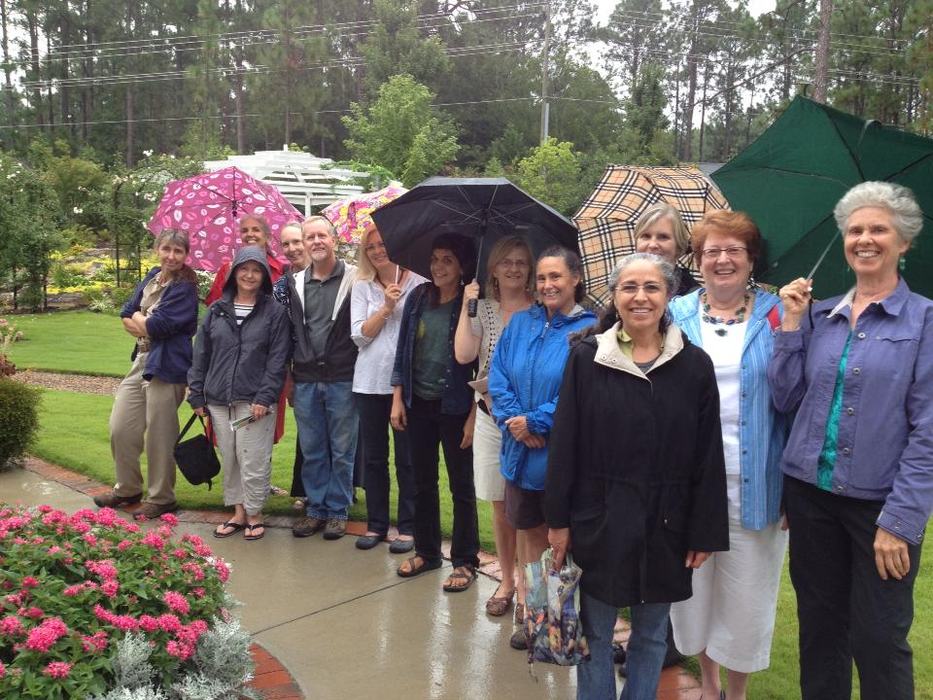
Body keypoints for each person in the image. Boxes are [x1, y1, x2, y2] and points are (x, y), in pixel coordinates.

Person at [768, 182, 932, 700]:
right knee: (820, 633)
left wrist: (900, 522)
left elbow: (929, 430)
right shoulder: (822, 314)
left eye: (878, 229)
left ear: (904, 242)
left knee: (879, 639)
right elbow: (785, 397)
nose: (865, 238)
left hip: (879, 510)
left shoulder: (925, 321)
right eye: (855, 229)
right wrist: (792, 324)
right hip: (810, 500)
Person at [546, 253, 728, 700]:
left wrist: (703, 530)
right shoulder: (588, 358)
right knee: (597, 635)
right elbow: (565, 443)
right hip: (601, 518)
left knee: (650, 637)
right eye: (629, 287)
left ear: (668, 296)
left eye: (651, 288)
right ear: (615, 295)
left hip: (666, 523)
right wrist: (558, 522)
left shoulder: (694, 365)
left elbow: (708, 454)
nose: (640, 297)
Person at [668, 210, 788, 700]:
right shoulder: (672, 313)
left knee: (747, 600)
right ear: (697, 261)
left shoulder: (779, 313)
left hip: (755, 481)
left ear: (751, 258)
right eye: (711, 251)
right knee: (694, 598)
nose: (722, 260)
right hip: (687, 486)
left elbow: (800, 394)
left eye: (733, 250)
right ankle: (709, 684)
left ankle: (735, 694)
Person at [488, 246, 596, 649]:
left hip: (560, 460)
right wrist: (516, 422)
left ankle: (562, 625)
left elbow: (580, 390)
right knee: (530, 541)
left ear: (575, 279)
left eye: (557, 277)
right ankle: (537, 622)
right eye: (543, 278)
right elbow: (498, 376)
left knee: (561, 543)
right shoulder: (521, 323)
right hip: (520, 457)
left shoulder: (589, 329)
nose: (548, 285)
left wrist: (536, 422)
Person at [390, 233, 480, 593]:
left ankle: (465, 560)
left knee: (462, 487)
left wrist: (475, 415)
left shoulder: (472, 301)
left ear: (461, 266)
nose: (438, 266)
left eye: (447, 260)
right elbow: (403, 350)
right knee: (421, 481)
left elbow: (481, 364)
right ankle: (427, 552)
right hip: (418, 402)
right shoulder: (418, 297)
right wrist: (397, 397)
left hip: (456, 405)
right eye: (435, 259)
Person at [453, 235, 535, 618]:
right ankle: (507, 578)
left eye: (521, 262)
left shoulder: (539, 311)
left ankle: (528, 586)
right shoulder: (481, 308)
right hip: (488, 417)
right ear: (494, 269)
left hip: (525, 422)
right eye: (507, 262)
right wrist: (466, 307)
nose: (514, 268)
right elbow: (465, 355)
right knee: (500, 505)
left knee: (526, 507)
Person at [187, 247, 291, 541]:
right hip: (219, 400)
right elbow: (201, 355)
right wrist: (196, 395)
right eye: (243, 269)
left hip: (253, 403)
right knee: (230, 456)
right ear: (233, 273)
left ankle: (255, 513)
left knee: (253, 457)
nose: (249, 275)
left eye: (256, 269)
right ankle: (238, 512)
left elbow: (277, 359)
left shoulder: (274, 313)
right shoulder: (217, 310)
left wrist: (265, 397)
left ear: (264, 275)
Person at [95, 229, 199, 520]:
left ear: (185, 255)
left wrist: (140, 320)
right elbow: (125, 312)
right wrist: (142, 320)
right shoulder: (153, 276)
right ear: (157, 248)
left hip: (168, 365)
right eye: (167, 249)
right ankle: (127, 489)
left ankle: (162, 497)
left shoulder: (185, 287)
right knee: (121, 427)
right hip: (141, 359)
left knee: (159, 434)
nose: (172, 256)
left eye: (178, 251)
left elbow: (159, 326)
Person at [351, 224, 427, 553]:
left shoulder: (420, 283)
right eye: (371, 248)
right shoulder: (362, 286)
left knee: (407, 458)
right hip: (368, 382)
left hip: (407, 384)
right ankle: (377, 524)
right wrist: (385, 307)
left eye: (383, 244)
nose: (378, 251)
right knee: (374, 459)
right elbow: (360, 335)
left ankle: (408, 527)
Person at [287, 216, 359, 540]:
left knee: (342, 449)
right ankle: (315, 508)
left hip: (342, 376)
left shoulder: (354, 279)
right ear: (303, 243)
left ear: (334, 240)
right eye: (309, 237)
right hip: (304, 377)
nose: (316, 241)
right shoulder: (295, 283)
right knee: (313, 447)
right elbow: (289, 332)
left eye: (322, 236)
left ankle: (338, 510)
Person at [271, 222, 308, 508]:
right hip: (300, 366)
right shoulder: (282, 286)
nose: (293, 248)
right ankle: (307, 491)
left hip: (336, 366)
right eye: (286, 244)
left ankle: (340, 491)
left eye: (297, 241)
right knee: (308, 431)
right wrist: (290, 377)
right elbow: (280, 335)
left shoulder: (336, 276)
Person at [205, 214, 286, 306]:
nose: (250, 234)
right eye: (244, 231)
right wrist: (229, 280)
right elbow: (213, 304)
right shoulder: (227, 269)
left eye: (256, 230)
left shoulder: (281, 270)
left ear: (267, 236)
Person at [633, 202, 698, 298]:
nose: (652, 245)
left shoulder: (694, 298)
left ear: (678, 244)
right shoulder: (623, 288)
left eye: (663, 237)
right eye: (646, 236)